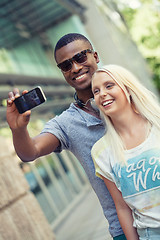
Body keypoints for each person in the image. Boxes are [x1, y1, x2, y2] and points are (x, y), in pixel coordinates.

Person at [6, 33, 126, 239]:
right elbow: (30, 152)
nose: (75, 68)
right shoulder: (66, 123)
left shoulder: (127, 94)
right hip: (122, 228)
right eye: (65, 65)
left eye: (80, 57)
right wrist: (18, 129)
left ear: (95, 56)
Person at [91, 64, 160, 239]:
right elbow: (121, 207)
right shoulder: (101, 151)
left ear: (127, 89)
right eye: (96, 91)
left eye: (109, 85)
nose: (102, 94)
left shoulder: (157, 125)